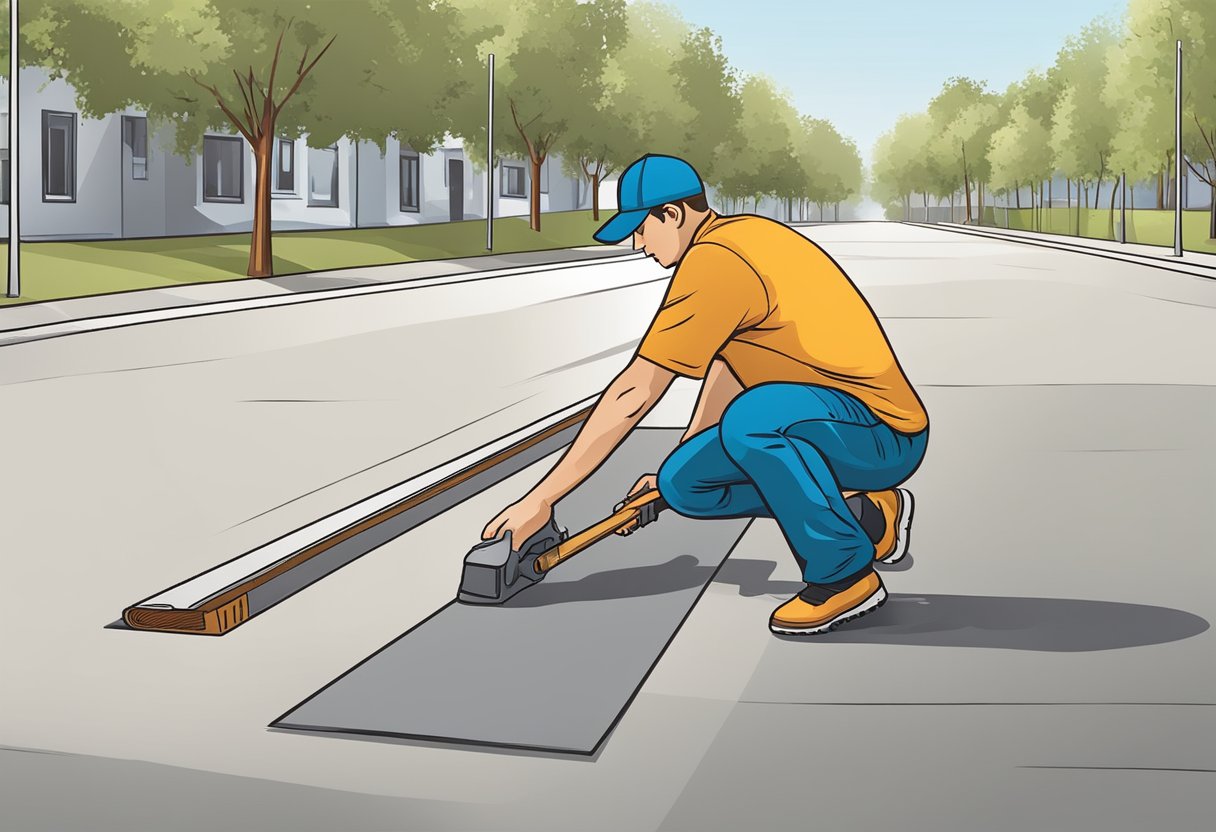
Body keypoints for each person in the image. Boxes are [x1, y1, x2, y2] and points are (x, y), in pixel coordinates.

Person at [483, 154, 928, 635]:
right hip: (822, 423)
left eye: (641, 229)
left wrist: (542, 500)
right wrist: (683, 454)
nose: (637, 244)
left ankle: (842, 576)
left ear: (672, 214)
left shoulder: (717, 261)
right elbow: (730, 362)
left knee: (751, 421)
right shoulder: (734, 238)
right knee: (683, 483)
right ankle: (870, 516)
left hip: (883, 432)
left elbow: (636, 390)